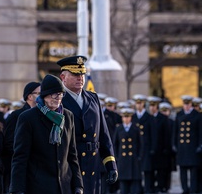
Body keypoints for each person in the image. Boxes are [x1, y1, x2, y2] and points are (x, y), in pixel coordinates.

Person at [9, 74, 83, 194]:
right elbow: (20, 157)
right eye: (54, 94)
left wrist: (78, 186)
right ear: (44, 96)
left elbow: (72, 154)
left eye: (61, 94)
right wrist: (17, 190)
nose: (58, 98)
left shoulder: (68, 116)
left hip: (64, 187)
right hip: (38, 186)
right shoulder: (28, 118)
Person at [57, 56, 118, 194]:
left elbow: (104, 135)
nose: (80, 78)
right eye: (75, 74)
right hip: (71, 167)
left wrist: (111, 164)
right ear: (63, 77)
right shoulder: (57, 101)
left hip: (93, 165)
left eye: (82, 74)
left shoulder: (93, 98)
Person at [3, 81, 40, 193]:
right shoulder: (16, 116)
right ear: (29, 96)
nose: (42, 96)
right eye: (39, 93)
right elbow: (9, 142)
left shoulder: (42, 114)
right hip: (21, 168)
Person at [172, 95, 202, 194]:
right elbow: (175, 131)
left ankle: (193, 189)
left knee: (193, 170)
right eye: (185, 104)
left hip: (193, 146)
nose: (186, 106)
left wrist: (200, 145)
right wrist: (174, 144)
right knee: (183, 170)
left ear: (191, 104)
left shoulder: (197, 115)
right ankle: (185, 189)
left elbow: (200, 132)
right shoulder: (179, 114)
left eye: (188, 104)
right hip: (182, 147)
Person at [113, 108, 142, 194]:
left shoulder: (135, 128)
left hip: (133, 160)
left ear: (131, 118)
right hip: (123, 160)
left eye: (128, 117)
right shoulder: (119, 129)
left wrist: (139, 156)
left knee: (134, 188)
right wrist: (117, 157)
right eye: (124, 117)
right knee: (123, 187)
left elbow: (140, 144)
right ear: (122, 118)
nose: (126, 119)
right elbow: (115, 144)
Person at [131, 94, 157, 193]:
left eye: (140, 103)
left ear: (144, 104)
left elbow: (153, 134)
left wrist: (153, 148)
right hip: (136, 147)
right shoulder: (133, 117)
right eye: (137, 103)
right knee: (137, 170)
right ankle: (137, 189)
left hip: (146, 147)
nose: (138, 105)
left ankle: (147, 189)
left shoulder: (149, 117)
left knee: (147, 171)